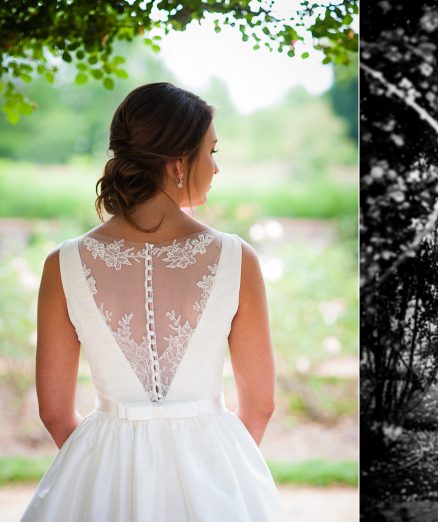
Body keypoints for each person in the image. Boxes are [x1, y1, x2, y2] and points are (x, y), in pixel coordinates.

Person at [22, 82, 286, 521]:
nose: (216, 169)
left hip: (102, 471)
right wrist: (218, 472)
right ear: (178, 163)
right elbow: (260, 404)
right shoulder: (238, 258)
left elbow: (53, 410)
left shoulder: (61, 264)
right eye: (212, 152)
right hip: (215, 471)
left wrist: (98, 473)